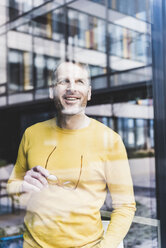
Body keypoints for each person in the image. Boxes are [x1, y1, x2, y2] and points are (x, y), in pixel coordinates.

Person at [7, 60, 136, 248]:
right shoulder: (31, 134)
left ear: (89, 93)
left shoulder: (110, 140)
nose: (71, 88)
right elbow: (12, 188)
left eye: (79, 82)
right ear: (52, 91)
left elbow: (125, 206)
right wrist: (22, 187)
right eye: (64, 81)